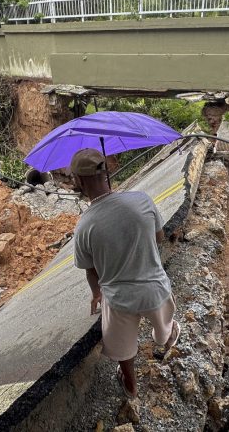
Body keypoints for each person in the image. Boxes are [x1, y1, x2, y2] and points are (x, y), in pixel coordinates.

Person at [70, 148, 180, 399]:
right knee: (163, 333)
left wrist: (96, 293)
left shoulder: (84, 227)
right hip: (154, 289)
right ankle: (168, 334)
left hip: (118, 299)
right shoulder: (141, 200)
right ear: (106, 171)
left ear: (79, 180)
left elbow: (91, 271)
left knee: (122, 348)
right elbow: (159, 237)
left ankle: (130, 384)